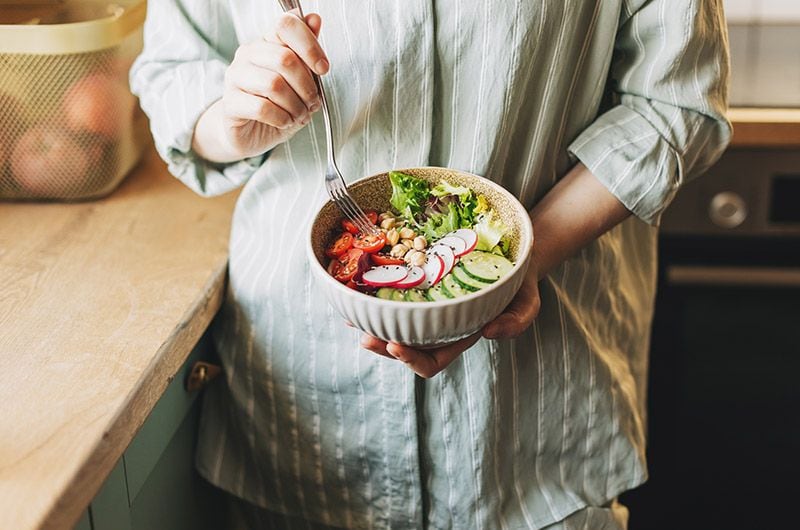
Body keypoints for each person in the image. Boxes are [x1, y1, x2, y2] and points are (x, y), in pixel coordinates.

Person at [130, 1, 731, 528]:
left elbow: (673, 102)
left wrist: (522, 258)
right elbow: (175, 75)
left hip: (536, 420)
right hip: (301, 399)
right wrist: (234, 118)